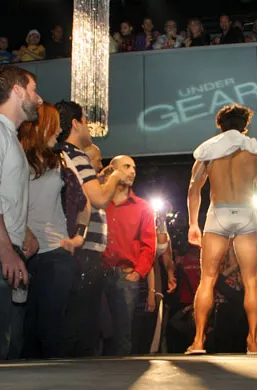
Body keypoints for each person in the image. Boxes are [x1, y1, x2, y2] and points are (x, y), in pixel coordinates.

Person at [186, 104, 257, 355]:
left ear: (221, 125)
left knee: (207, 279)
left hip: (219, 212)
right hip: (246, 211)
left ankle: (198, 342)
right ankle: (253, 343)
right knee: (251, 281)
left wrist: (193, 223)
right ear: (245, 126)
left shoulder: (208, 150)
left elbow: (194, 189)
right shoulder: (255, 150)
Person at [55, 101, 129, 357]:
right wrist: (115, 177)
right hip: (83, 249)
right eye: (86, 121)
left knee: (69, 320)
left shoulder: (58, 153)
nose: (89, 127)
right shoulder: (77, 155)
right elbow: (98, 199)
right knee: (83, 324)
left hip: (65, 244)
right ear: (75, 124)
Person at [19, 102, 90, 358]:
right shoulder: (16, 156)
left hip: (55, 253)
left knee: (51, 332)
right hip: (20, 254)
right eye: (55, 124)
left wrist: (79, 237)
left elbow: (84, 204)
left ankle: (57, 383)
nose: (60, 130)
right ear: (40, 126)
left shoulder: (61, 161)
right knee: (24, 334)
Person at [0, 66, 42, 360]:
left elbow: (5, 195)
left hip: (3, 249)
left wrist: (25, 232)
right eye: (33, 90)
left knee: (10, 347)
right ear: (17, 91)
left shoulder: (9, 136)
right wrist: (6, 248)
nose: (39, 98)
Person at [102, 155, 156, 356]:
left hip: (125, 276)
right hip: (97, 274)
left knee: (122, 337)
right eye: (126, 166)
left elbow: (149, 244)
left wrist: (138, 272)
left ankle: (119, 375)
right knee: (94, 334)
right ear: (112, 169)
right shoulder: (99, 202)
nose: (133, 171)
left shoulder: (142, 206)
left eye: (134, 167)